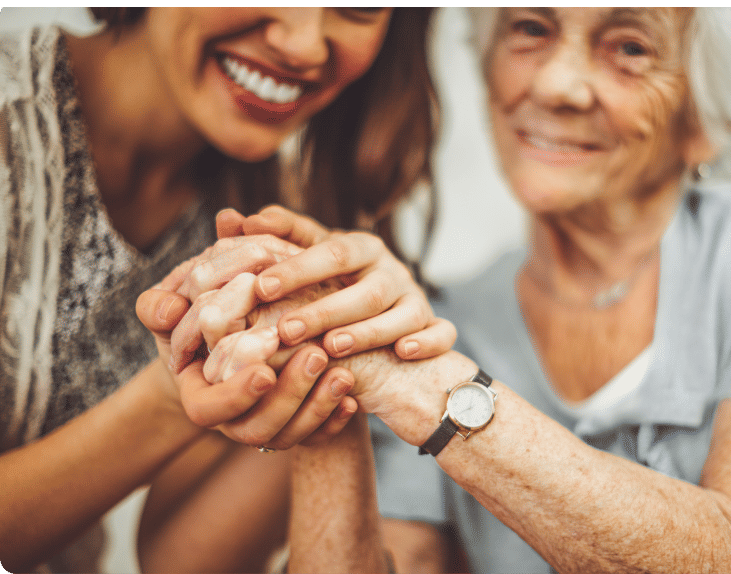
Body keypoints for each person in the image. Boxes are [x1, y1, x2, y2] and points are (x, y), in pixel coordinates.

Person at [168, 6, 731, 573]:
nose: (558, 85)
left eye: (631, 48)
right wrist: (326, 357)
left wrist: (414, 381)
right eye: (531, 30)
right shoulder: (444, 318)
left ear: (704, 121)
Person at [0, 8, 454, 572]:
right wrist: (170, 398)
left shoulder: (272, 217)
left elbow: (184, 560)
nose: (304, 45)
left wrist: (335, 363)